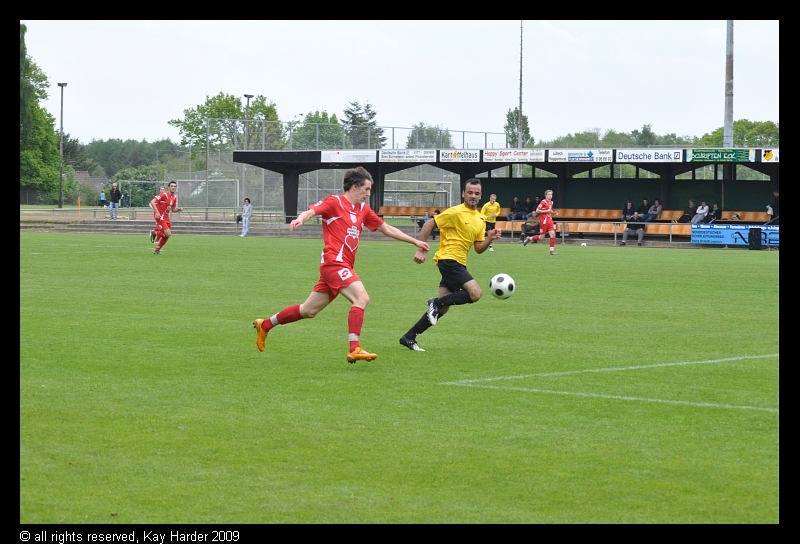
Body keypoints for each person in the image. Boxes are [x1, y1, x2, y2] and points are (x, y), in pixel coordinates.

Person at [253, 166, 430, 363]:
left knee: (308, 310)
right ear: (355, 186)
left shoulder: (363, 209)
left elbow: (386, 228)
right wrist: (300, 219)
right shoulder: (335, 202)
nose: (368, 194)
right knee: (362, 298)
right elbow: (311, 211)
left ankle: (265, 325)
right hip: (334, 263)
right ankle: (354, 348)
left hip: (342, 266)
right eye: (366, 189)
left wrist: (414, 241)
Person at [398, 179, 501, 352]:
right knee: (475, 293)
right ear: (463, 193)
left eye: (476, 193)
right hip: (448, 260)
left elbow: (478, 248)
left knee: (443, 308)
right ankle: (436, 303)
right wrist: (421, 250)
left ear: (480, 196)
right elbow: (429, 224)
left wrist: (490, 238)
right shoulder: (455, 212)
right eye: (470, 192)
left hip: (459, 262)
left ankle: (409, 336)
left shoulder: (480, 219)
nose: (473, 196)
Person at [148, 181, 183, 255]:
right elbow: (152, 202)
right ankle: (154, 232)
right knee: (168, 233)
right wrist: (157, 212)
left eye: (174, 186)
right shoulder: (164, 195)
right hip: (160, 217)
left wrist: (178, 210)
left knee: (167, 235)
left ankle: (157, 250)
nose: (173, 187)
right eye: (172, 186)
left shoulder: (174, 197)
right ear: (169, 187)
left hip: (166, 217)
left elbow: (173, 209)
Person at [535, 189, 559, 255]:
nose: (550, 196)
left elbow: (549, 211)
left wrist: (554, 212)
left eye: (551, 194)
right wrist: (547, 211)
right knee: (541, 237)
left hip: (549, 220)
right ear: (546, 195)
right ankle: (529, 238)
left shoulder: (551, 202)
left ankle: (551, 251)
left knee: (553, 234)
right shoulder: (543, 202)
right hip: (543, 221)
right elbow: (537, 210)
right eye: (549, 194)